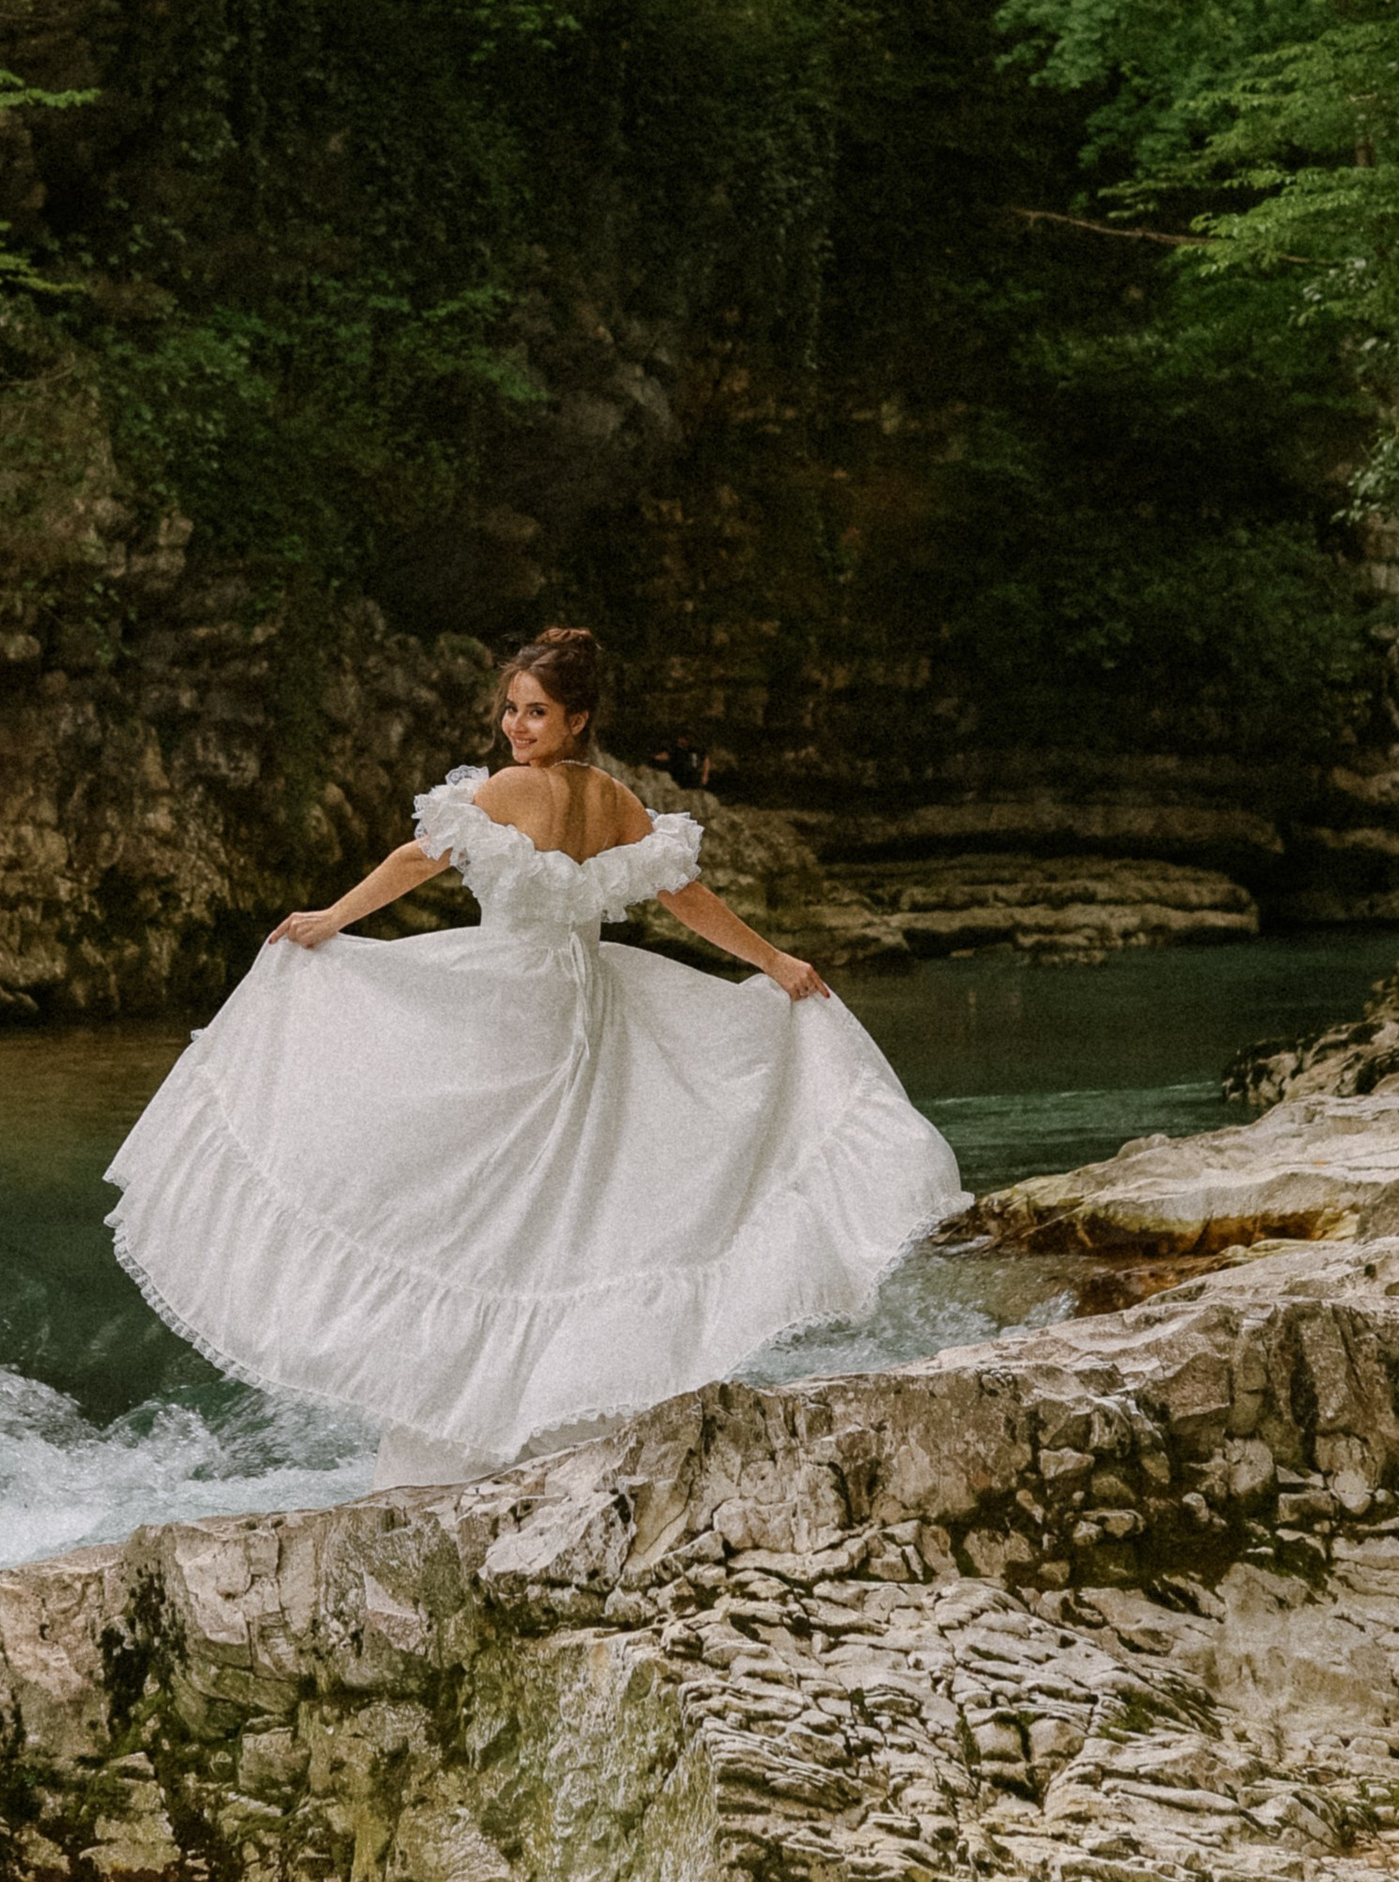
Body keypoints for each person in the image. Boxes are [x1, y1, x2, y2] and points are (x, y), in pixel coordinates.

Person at [104, 624, 965, 1477]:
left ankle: (471, 1421)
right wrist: (772, 963)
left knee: (470, 1201)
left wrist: (332, 919)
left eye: (537, 712)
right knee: (565, 1211)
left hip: (511, 1003)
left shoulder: (516, 788)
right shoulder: (615, 799)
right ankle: (552, 1411)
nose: (517, 727)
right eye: (512, 710)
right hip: (587, 1007)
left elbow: (418, 860)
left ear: (577, 719)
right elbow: (685, 896)